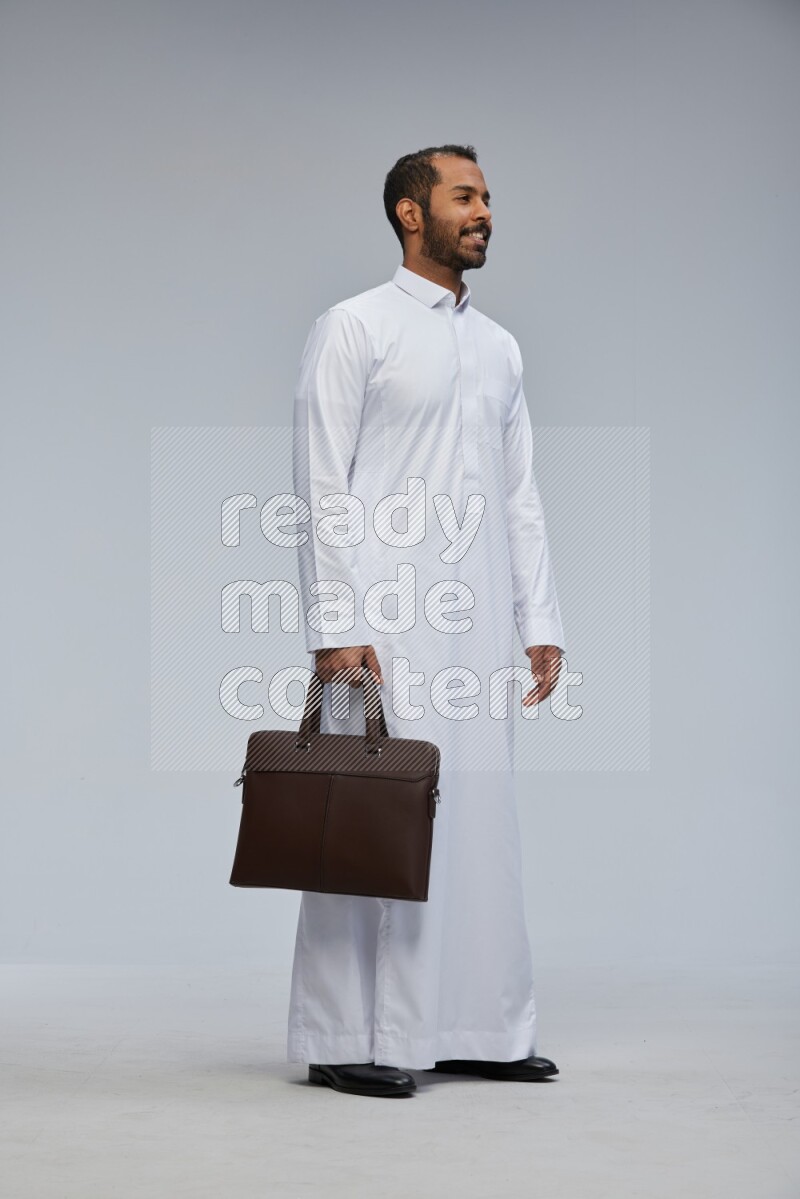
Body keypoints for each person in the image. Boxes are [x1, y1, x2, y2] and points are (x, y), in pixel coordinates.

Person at [289, 144, 567, 1098]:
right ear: (413, 214)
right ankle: (340, 1033)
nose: (485, 211)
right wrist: (336, 622)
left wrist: (541, 618)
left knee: (479, 823)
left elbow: (520, 492)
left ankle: (473, 1026)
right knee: (367, 818)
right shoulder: (353, 328)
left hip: (481, 625)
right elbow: (322, 484)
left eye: (488, 196)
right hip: (381, 625)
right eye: (465, 196)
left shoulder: (499, 347)